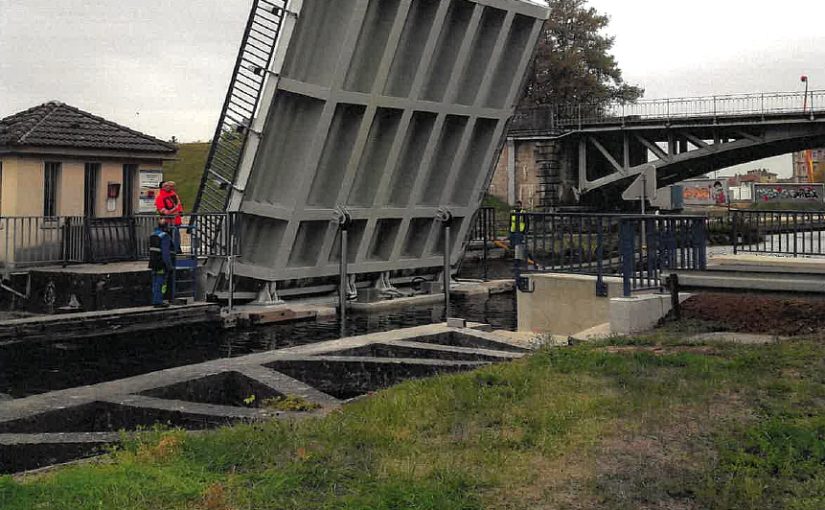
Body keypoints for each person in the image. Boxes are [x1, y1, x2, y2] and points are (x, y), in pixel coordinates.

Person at [149, 219, 175, 308]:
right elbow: (165, 253)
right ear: (165, 227)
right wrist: (169, 266)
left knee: (155, 281)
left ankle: (155, 300)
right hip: (161, 263)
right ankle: (158, 301)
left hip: (153, 262)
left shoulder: (153, 234)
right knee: (160, 282)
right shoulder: (164, 236)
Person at [155, 181, 183, 252]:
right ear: (162, 187)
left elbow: (179, 206)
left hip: (175, 220)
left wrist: (178, 210)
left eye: (170, 186)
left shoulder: (174, 194)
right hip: (167, 222)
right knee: (169, 237)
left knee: (176, 236)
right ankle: (172, 251)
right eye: (166, 186)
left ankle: (177, 250)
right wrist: (175, 210)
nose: (169, 187)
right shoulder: (160, 197)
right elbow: (163, 211)